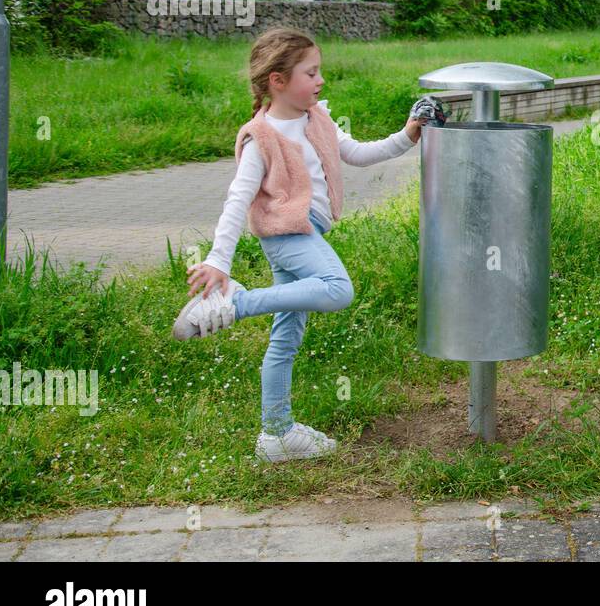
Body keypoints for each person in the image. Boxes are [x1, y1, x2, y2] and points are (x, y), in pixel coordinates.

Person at [172, 27, 424, 463]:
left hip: (311, 233)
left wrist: (407, 135)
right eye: (311, 72)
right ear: (278, 80)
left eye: (320, 70)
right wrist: (218, 262)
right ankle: (236, 303)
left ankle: (276, 435)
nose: (320, 80)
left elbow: (357, 153)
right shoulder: (261, 137)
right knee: (337, 288)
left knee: (285, 338)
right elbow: (238, 201)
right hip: (289, 236)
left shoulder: (318, 117)